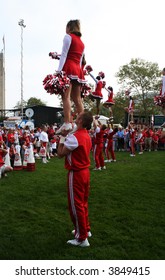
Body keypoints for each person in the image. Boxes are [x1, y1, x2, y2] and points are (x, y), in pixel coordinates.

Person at [57, 111, 93, 247]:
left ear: (81, 122)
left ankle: (81, 238)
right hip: (85, 172)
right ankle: (85, 230)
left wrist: (61, 138)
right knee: (83, 203)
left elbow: (60, 154)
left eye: (77, 118)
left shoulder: (75, 137)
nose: (75, 118)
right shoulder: (85, 135)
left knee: (75, 205)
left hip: (76, 173)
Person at [55, 19, 86, 135]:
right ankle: (83, 124)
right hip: (78, 70)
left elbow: (64, 55)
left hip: (68, 68)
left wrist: (58, 72)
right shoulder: (82, 43)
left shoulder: (68, 37)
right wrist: (80, 73)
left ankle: (67, 123)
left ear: (69, 27)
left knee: (66, 96)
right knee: (78, 99)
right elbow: (79, 60)